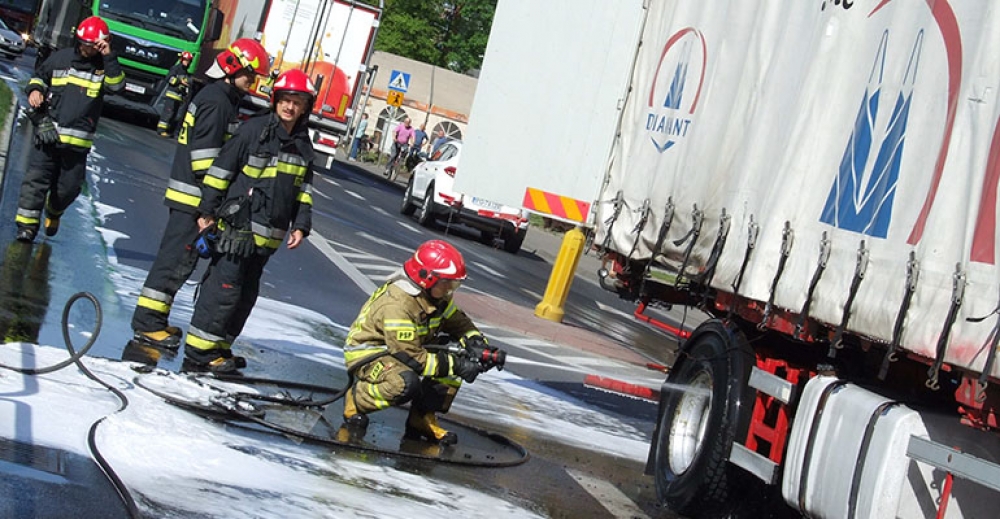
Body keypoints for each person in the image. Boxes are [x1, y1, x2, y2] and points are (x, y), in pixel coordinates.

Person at [131, 38, 270, 350]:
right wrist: (214, 203)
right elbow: (205, 159)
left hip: (191, 197)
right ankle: (147, 324)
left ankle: (154, 320)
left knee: (178, 261)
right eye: (250, 75)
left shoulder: (218, 97)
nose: (252, 83)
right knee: (174, 262)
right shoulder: (217, 102)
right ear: (233, 68)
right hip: (193, 198)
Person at [180, 69, 316, 373]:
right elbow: (221, 171)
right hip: (238, 229)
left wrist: (302, 225)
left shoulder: (303, 146)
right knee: (223, 290)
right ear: (275, 101)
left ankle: (220, 347)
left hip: (268, 237)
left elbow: (303, 191)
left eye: (297, 102)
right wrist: (207, 212)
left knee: (244, 296)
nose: (290, 107)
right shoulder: (252, 131)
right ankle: (199, 354)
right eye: (285, 100)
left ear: (306, 107)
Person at [340, 240, 505, 445]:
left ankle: (422, 418)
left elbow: (458, 322)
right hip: (370, 355)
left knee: (457, 356)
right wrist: (459, 366)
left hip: (405, 350)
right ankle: (357, 400)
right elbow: (412, 357)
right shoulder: (398, 305)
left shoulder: (435, 295)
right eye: (448, 283)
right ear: (427, 278)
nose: (450, 290)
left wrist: (478, 345)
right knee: (404, 383)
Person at [14, 16, 124, 243]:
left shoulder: (104, 68)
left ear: (102, 43)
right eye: (83, 43)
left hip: (76, 147)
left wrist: (108, 56)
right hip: (48, 137)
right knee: (35, 181)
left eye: (92, 45)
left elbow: (117, 87)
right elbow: (39, 78)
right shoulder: (60, 59)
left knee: (69, 189)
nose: (86, 48)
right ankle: (26, 228)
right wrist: (35, 90)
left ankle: (54, 211)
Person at [156, 51, 194, 138]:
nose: (186, 62)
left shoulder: (185, 72)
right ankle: (161, 130)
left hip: (179, 97)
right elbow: (169, 79)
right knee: (168, 113)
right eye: (185, 60)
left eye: (188, 61)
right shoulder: (176, 69)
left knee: (173, 115)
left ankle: (168, 130)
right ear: (181, 59)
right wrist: (180, 81)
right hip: (171, 95)